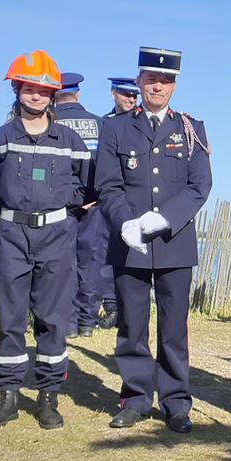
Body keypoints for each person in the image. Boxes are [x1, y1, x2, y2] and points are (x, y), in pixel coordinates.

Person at [0, 51, 90, 429]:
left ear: (53, 94)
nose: (36, 96)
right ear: (17, 88)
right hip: (11, 236)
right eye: (29, 89)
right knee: (11, 318)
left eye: (44, 90)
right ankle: (7, 396)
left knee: (53, 319)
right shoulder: (0, 138)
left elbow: (87, 189)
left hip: (56, 236)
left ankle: (48, 397)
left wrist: (65, 205)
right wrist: (8, 197)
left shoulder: (69, 140)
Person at [96, 48, 212, 434]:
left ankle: (176, 403)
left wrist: (164, 218)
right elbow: (107, 185)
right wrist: (125, 223)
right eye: (151, 79)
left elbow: (200, 186)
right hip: (128, 243)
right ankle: (134, 398)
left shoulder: (191, 127)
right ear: (140, 81)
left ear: (174, 86)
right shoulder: (115, 128)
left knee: (173, 328)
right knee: (131, 324)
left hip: (174, 243)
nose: (157, 86)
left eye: (165, 81)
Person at [53, 72, 106, 337]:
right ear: (78, 94)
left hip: (60, 206)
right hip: (94, 203)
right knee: (91, 261)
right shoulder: (98, 124)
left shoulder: (49, 124)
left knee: (62, 263)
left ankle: (69, 323)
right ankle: (87, 321)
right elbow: (109, 166)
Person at [95, 76, 141, 329]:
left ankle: (128, 309)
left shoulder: (144, 123)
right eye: (126, 95)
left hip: (136, 202)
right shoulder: (105, 124)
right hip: (111, 201)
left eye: (134, 96)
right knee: (105, 254)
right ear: (114, 94)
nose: (131, 100)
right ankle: (111, 306)